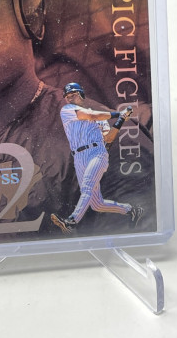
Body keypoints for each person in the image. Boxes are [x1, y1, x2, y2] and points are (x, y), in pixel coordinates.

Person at [50, 83, 143, 233]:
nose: (70, 98)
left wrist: (120, 120)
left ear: (81, 94)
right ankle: (131, 210)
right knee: (97, 204)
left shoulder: (100, 117)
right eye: (67, 96)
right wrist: (119, 114)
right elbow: (91, 115)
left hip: (97, 153)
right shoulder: (67, 110)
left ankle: (72, 221)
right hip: (79, 157)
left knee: (87, 187)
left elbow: (108, 138)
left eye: (73, 94)